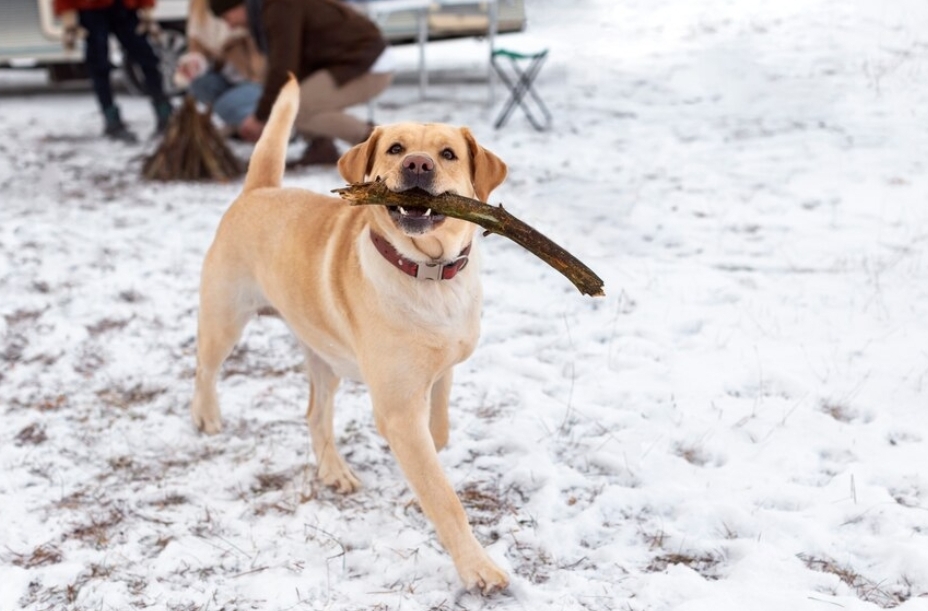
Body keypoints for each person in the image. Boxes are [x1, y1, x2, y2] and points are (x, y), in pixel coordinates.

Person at [208, 0, 394, 165]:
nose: (230, 25)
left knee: (295, 109)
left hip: (367, 64)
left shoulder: (279, 7)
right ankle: (321, 146)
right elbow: (283, 67)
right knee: (295, 103)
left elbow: (283, 68)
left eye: (226, 17)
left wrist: (260, 117)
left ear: (238, 5)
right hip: (347, 64)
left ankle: (378, 144)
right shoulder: (267, 10)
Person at [54, 0, 174, 143]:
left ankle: (163, 111)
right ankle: (112, 120)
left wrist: (146, 9)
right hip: (91, 8)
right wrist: (68, 16)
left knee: (147, 57)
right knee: (99, 64)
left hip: (123, 6)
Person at [174, 0, 265, 139]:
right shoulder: (199, 7)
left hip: (258, 78)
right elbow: (198, 48)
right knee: (200, 84)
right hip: (228, 76)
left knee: (224, 106)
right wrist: (195, 63)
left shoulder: (246, 8)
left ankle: (264, 124)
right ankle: (240, 122)